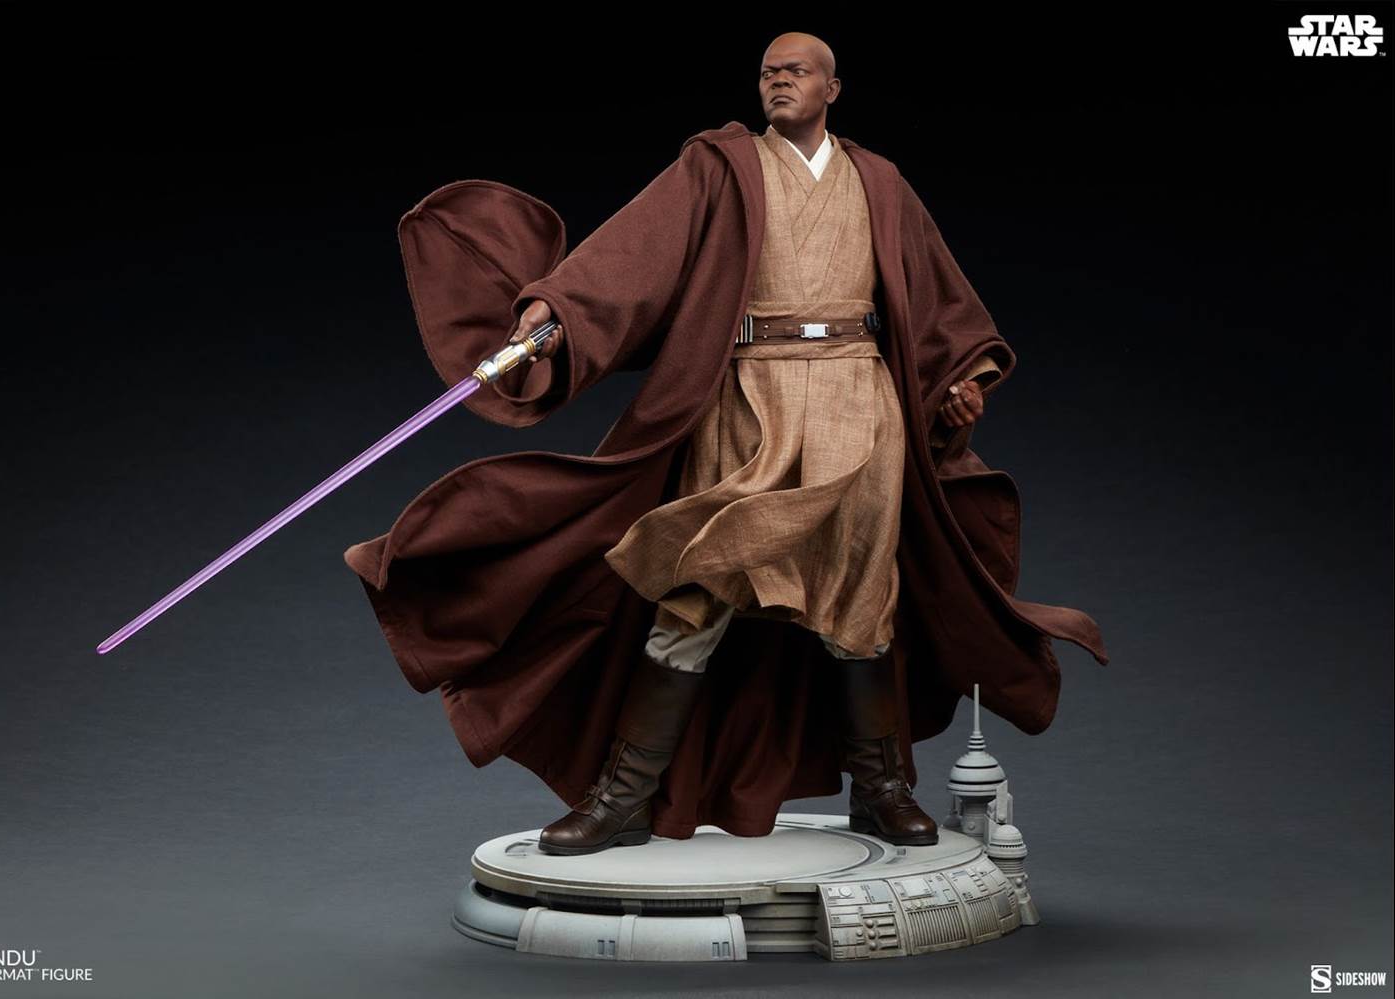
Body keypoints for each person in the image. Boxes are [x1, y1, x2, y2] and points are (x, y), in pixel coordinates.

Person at [343, 32, 1108, 857]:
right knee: (696, 584)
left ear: (833, 88)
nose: (779, 81)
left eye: (797, 71)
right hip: (746, 398)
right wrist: (558, 312)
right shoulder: (721, 166)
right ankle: (624, 795)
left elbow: (940, 298)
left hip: (858, 398)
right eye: (769, 71)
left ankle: (880, 788)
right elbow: (633, 255)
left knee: (860, 598)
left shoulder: (879, 182)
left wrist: (961, 378)